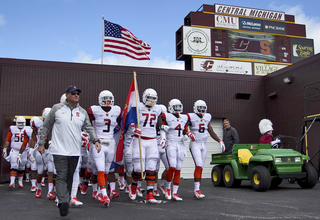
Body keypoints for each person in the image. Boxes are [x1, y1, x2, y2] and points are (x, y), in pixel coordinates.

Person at [38, 85, 101, 217]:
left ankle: (63, 198)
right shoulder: (57, 109)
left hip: (74, 151)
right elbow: (46, 126)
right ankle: (64, 201)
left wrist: (95, 140)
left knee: (70, 177)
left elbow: (88, 128)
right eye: (73, 93)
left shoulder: (82, 112)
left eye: (78, 93)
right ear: (66, 95)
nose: (76, 95)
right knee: (61, 175)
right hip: (59, 150)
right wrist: (41, 143)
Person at [129, 88, 168, 203]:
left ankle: (149, 194)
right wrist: (134, 129)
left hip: (152, 140)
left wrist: (163, 137)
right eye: (149, 98)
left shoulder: (158, 109)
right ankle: (134, 186)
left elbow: (160, 125)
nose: (151, 101)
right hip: (139, 139)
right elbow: (129, 121)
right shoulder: (138, 106)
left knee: (151, 167)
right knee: (138, 168)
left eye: (153, 99)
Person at [88, 90, 121, 207]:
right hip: (98, 143)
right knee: (100, 169)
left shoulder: (117, 110)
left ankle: (101, 192)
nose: (107, 102)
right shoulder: (93, 110)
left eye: (109, 99)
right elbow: (88, 124)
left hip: (110, 143)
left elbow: (120, 123)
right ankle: (104, 194)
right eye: (105, 99)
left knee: (107, 170)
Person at [187, 100, 225, 199]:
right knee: (199, 165)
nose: (201, 110)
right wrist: (187, 133)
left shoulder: (207, 117)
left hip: (204, 144)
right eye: (199, 108)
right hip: (195, 143)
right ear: (195, 108)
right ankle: (197, 190)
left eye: (203, 108)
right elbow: (183, 126)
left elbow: (211, 131)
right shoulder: (190, 117)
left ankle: (197, 190)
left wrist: (219, 140)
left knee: (201, 167)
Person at [162, 99, 188, 201]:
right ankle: (168, 188)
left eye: (179, 107)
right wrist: (164, 139)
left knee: (178, 168)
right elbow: (163, 129)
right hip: (171, 143)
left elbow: (185, 129)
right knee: (172, 167)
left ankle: (175, 192)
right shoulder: (166, 116)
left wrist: (187, 134)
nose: (178, 109)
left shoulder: (184, 117)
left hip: (180, 144)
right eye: (175, 107)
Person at [2, 116, 29, 188]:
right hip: (14, 150)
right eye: (19, 122)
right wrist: (4, 149)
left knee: (22, 166)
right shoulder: (12, 129)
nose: (20, 124)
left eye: (22, 123)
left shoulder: (28, 129)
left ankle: (20, 181)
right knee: (14, 164)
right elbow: (8, 139)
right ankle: (12, 182)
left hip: (24, 151)